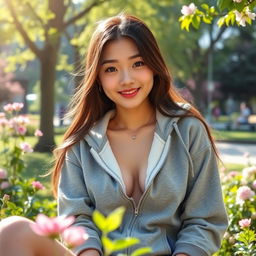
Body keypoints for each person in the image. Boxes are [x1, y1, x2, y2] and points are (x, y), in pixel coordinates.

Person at [0, 14, 228, 256]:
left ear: (154, 66)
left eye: (138, 63)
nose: (126, 79)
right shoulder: (82, 142)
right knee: (13, 230)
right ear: (97, 77)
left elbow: (204, 220)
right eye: (111, 68)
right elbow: (78, 219)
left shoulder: (187, 130)